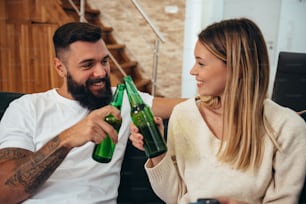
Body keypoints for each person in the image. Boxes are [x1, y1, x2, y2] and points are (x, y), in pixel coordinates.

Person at [0, 22, 183, 204]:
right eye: (87, 65)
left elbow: (192, 106)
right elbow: (5, 193)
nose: (101, 72)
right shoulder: (27, 107)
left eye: (104, 61)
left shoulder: (123, 100)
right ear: (60, 68)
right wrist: (67, 139)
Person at [130, 18, 306, 204]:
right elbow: (174, 196)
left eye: (201, 63)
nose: (192, 71)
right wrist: (156, 150)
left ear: (236, 67)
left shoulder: (288, 128)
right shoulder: (184, 115)